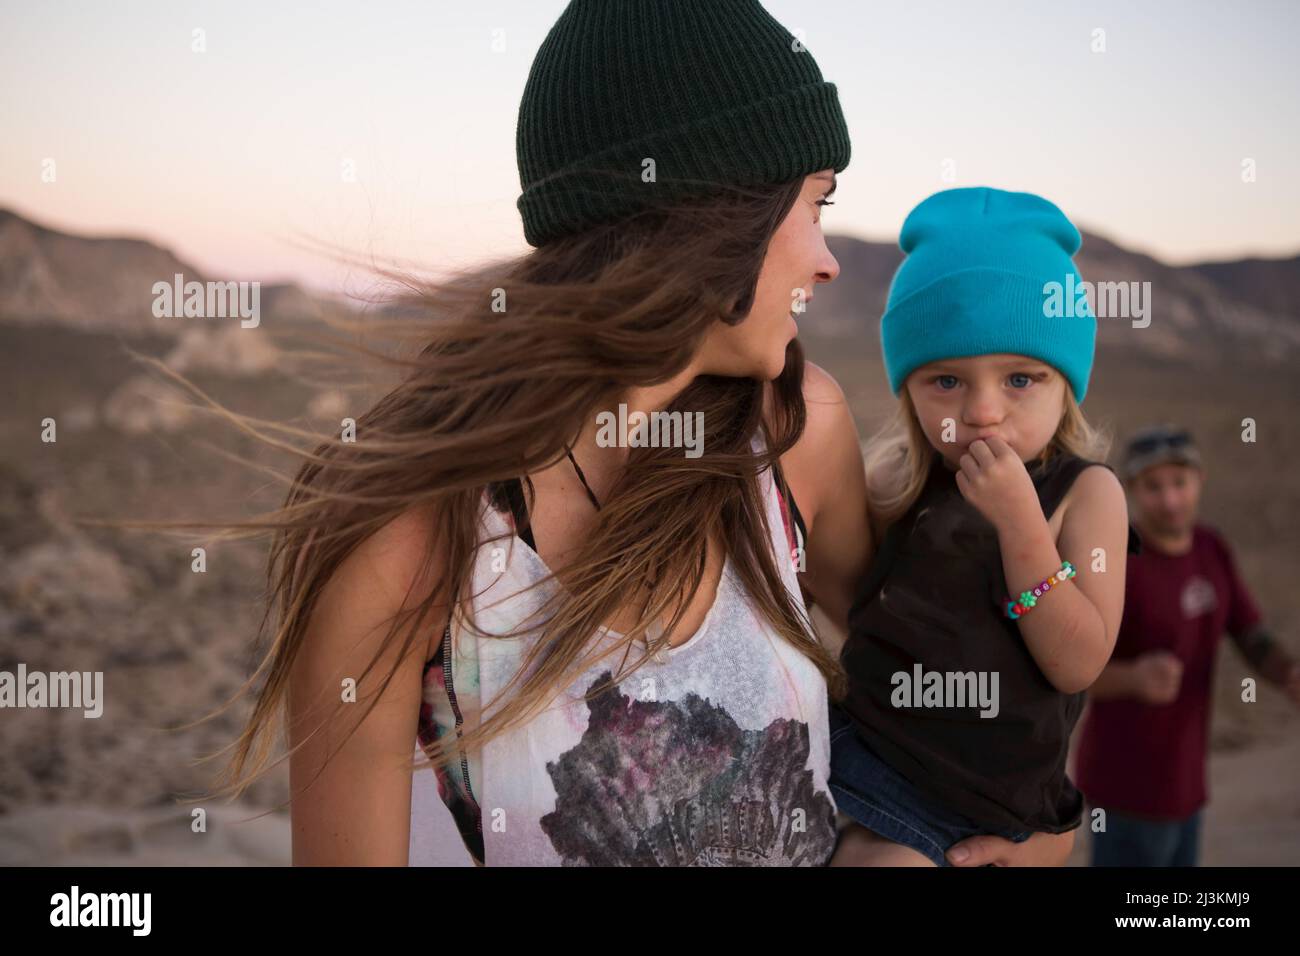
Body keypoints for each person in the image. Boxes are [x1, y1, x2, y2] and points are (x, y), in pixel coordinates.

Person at [211, 1, 1074, 867]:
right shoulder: (406, 541)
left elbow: (935, 667)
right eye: (814, 203)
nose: (827, 258)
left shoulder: (792, 435)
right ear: (711, 216)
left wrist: (1037, 831)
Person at [828, 186, 1139, 866]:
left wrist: (1022, 526)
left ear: (1066, 385)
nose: (983, 412)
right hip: (864, 767)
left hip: (988, 811)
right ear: (908, 389)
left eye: (1021, 379)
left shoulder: (1087, 494)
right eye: (946, 381)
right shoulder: (898, 486)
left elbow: (1080, 660)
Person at [1074, 425, 1300, 866]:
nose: (1171, 499)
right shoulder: (1119, 561)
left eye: (1180, 483)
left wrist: (1288, 672)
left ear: (1200, 480)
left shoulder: (1211, 548)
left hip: (1187, 786)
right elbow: (1067, 669)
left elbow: (1250, 634)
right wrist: (1133, 678)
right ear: (1131, 490)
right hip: (1124, 789)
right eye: (1154, 487)